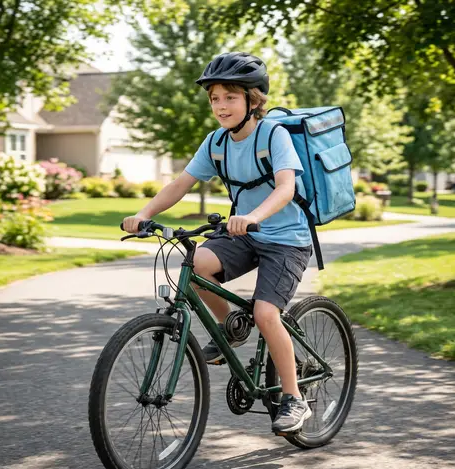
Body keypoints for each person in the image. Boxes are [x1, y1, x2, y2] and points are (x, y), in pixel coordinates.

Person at [123, 52, 313, 434]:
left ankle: (294, 398)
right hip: (242, 233)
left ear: (252, 100)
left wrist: (256, 215)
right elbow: (180, 184)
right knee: (194, 269)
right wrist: (143, 214)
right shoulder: (216, 143)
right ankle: (230, 327)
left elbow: (286, 187)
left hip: (285, 238)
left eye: (230, 97)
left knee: (265, 313)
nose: (221, 106)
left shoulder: (273, 135)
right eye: (214, 98)